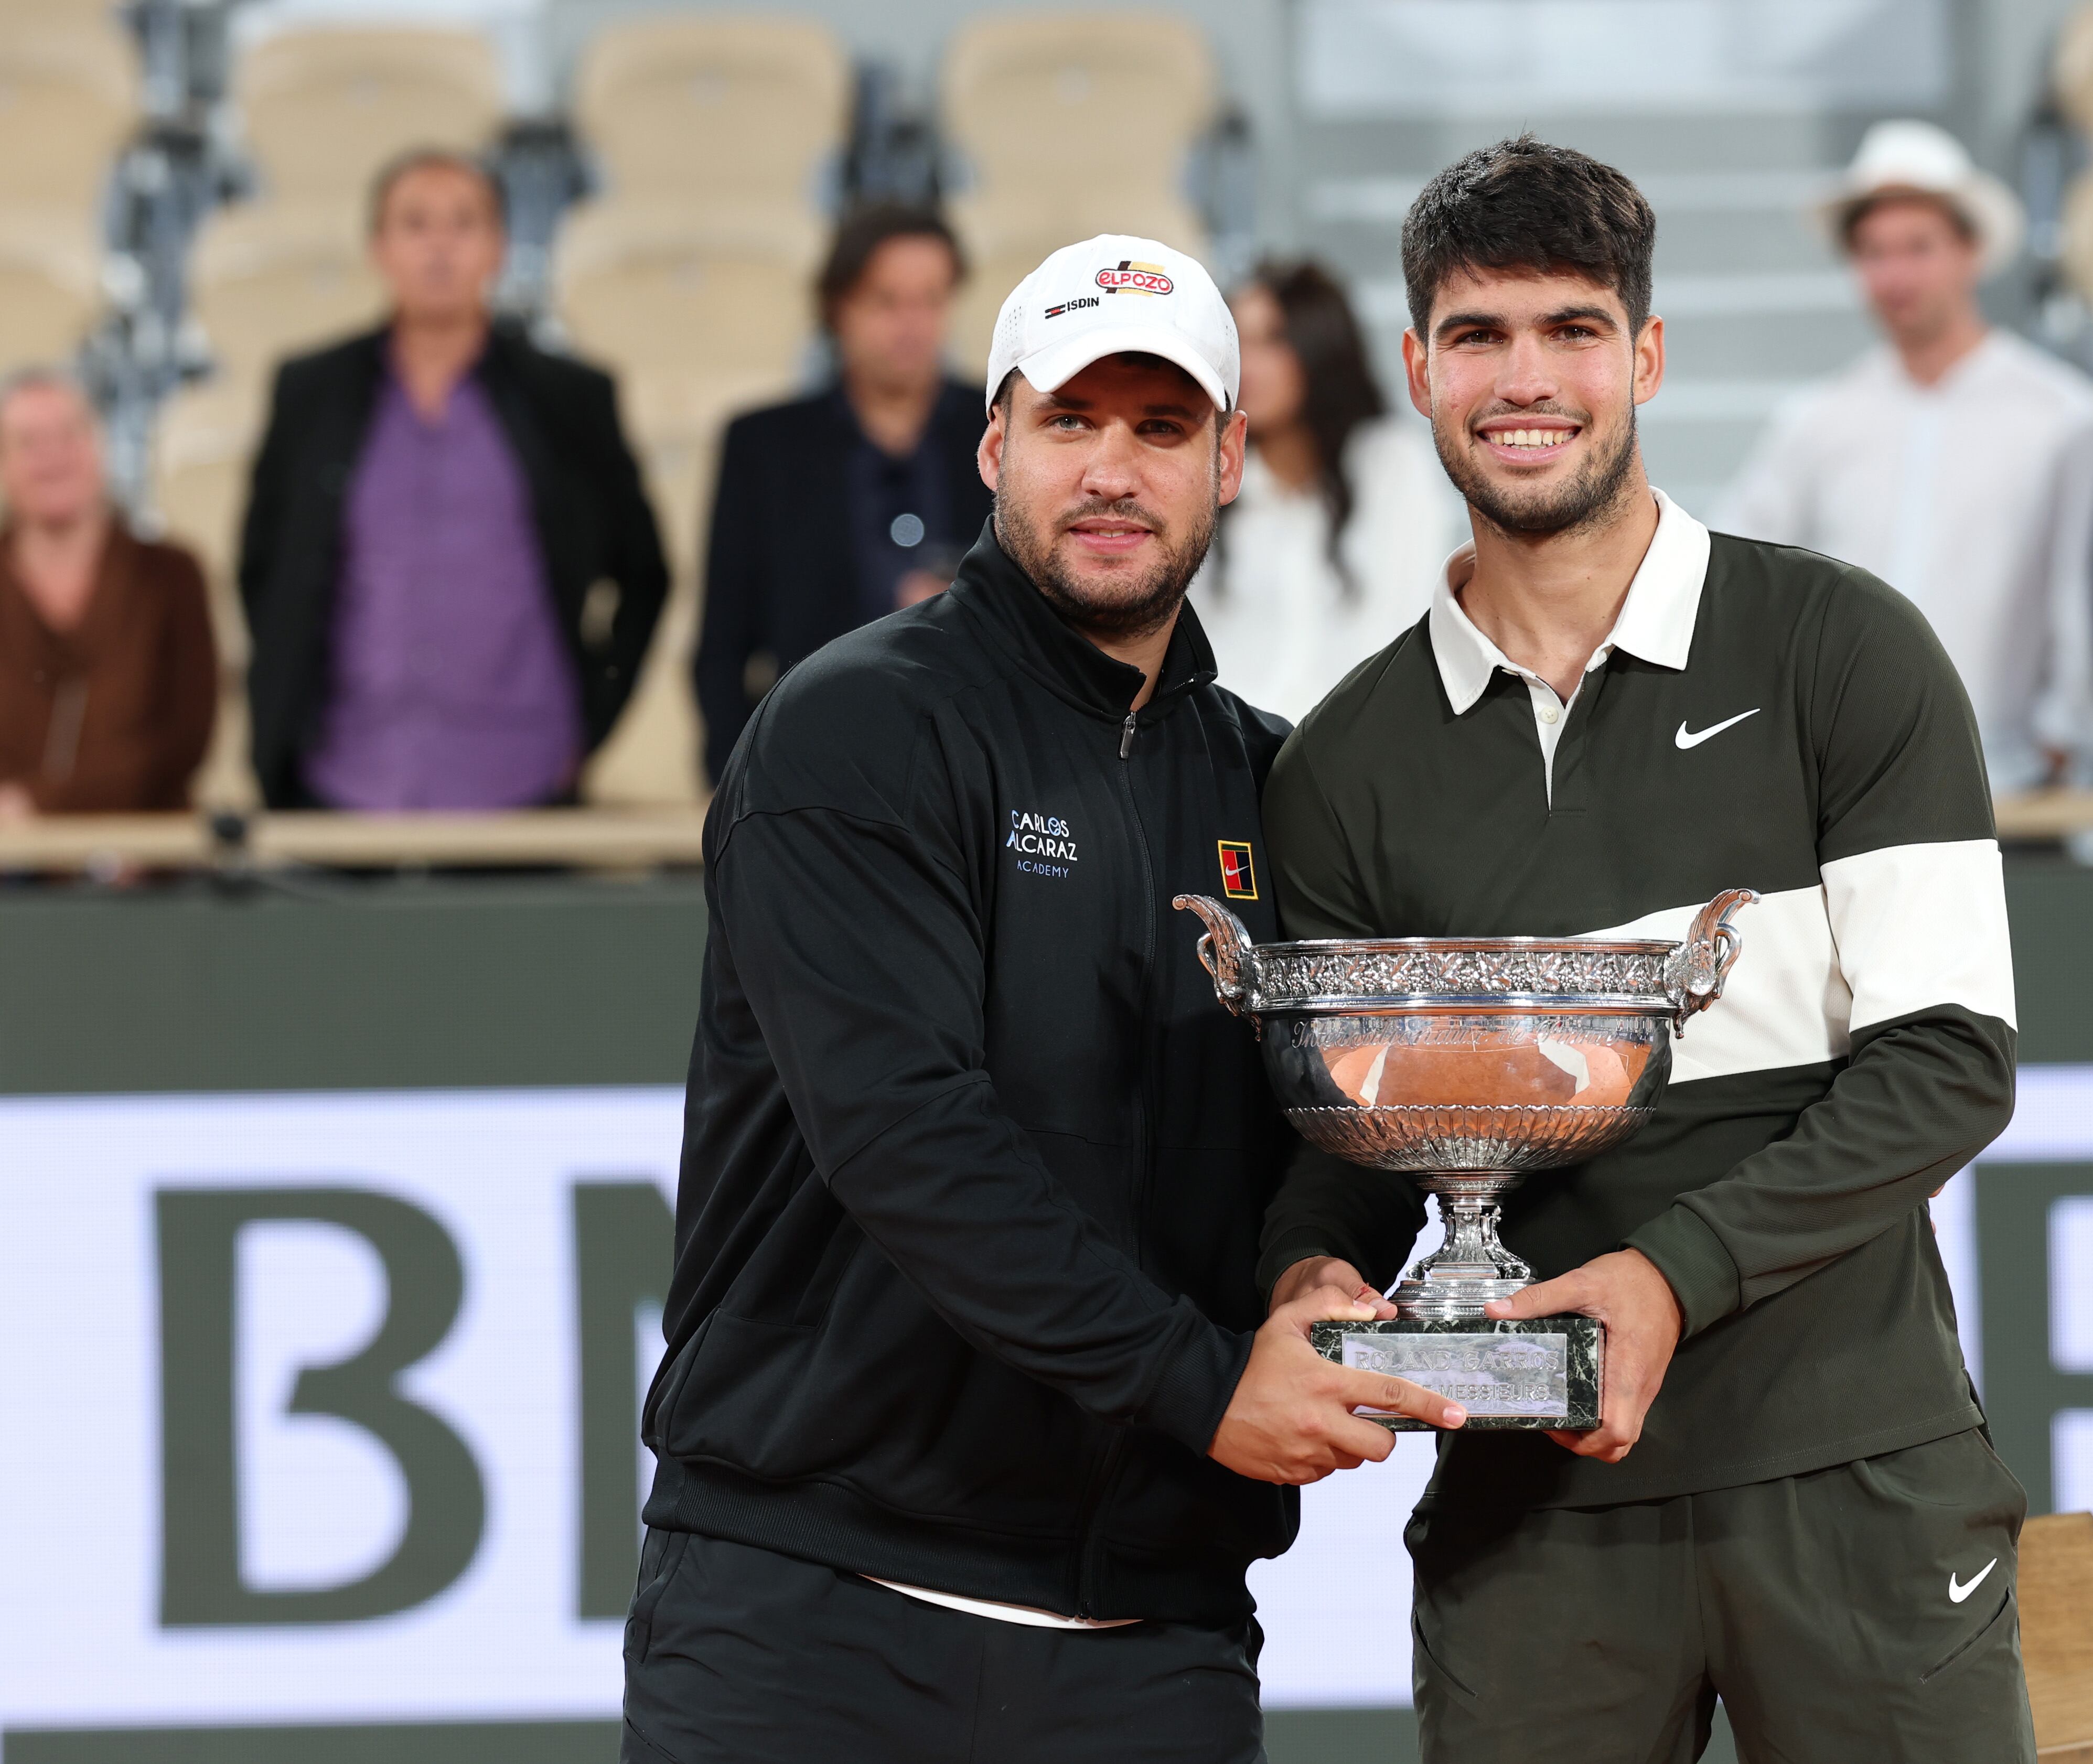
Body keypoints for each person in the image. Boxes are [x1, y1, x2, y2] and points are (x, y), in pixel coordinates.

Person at [622, 233, 1463, 1764]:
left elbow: (1341, 1109)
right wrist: (1205, 1385)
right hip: (814, 1622)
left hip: (1156, 1642)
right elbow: (910, 1140)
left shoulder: (1276, 779)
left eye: (1158, 428)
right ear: (995, 441)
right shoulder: (854, 727)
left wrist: (1306, 1272)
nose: (1110, 470)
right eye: (1069, 421)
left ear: (1230, 457)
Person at [1259, 138, 2030, 1762]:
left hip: (1857, 1480)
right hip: (1528, 1514)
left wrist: (1670, 1277)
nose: (1523, 379)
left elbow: (1947, 1061)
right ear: (1413, 366)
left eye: (1570, 328)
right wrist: (1309, 1272)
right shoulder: (1341, 761)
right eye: (1476, 335)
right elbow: (1335, 1141)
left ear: (1647, 356)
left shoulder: (1842, 649)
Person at [238, 147, 668, 810]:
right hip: (342, 776)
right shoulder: (310, 391)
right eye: (415, 224)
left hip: (522, 775)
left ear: (497, 247)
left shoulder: (569, 397)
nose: (439, 247)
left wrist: (590, 718)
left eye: (463, 224)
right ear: (378, 248)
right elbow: (265, 568)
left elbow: (644, 572)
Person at [1716, 120, 2093, 794]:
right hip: (1846, 788)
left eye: (1919, 248)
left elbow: (2085, 592)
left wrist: (2063, 738)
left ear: (1970, 252)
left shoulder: (2063, 417)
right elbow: (1734, 573)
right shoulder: (1816, 421)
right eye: (1874, 252)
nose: (1894, 275)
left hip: (2007, 785)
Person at [693, 203, 995, 781]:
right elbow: (723, 641)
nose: (912, 324)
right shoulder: (764, 445)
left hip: (976, 766)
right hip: (809, 764)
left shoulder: (1002, 431)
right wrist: (739, 782)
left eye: (931, 300)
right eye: (886, 301)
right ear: (837, 307)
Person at [1196, 259, 1461, 720]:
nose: (1248, 366)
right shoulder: (1205, 477)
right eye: (1238, 342)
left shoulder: (1388, 465)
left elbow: (1406, 621)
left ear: (1317, 346)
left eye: (1272, 340)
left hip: (1355, 754)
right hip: (1227, 755)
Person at [0, 370, 216, 817]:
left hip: (143, 862)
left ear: (101, 443)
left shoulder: (171, 576)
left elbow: (183, 741)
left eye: (69, 433)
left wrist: (38, 806)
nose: (52, 455)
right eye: (28, 441)